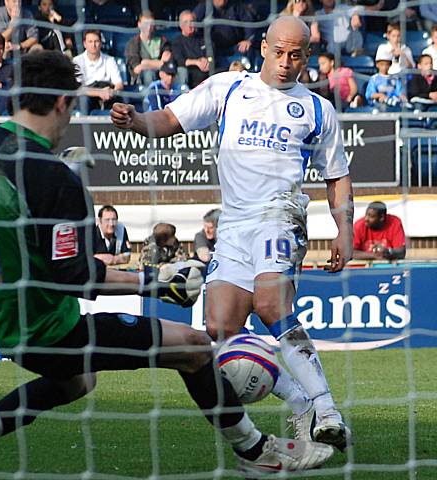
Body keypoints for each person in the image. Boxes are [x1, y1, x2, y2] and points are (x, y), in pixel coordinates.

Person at [0, 50, 334, 477]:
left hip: (0, 319)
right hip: (53, 329)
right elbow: (76, 277)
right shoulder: (56, 181)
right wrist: (154, 281)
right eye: (72, 108)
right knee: (193, 348)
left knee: (76, 382)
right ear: (62, 103)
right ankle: (257, 451)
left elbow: (8, 216)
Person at [111, 16, 354, 452]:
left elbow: (337, 176)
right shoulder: (228, 87)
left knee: (270, 304)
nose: (285, 62)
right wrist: (135, 121)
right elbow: (169, 118)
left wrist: (344, 230)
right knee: (219, 327)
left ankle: (328, 408)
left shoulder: (317, 109)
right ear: (263, 47)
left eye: (295, 55)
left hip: (280, 215)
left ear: (306, 57)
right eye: (278, 52)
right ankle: (301, 404)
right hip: (235, 223)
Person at [73, 30, 124, 112]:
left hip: (107, 94)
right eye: (90, 42)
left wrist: (111, 92)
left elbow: (119, 84)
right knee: (83, 100)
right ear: (84, 44)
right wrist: (99, 92)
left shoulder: (110, 60)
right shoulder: (77, 61)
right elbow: (78, 89)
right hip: (87, 95)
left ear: (100, 43)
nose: (93, 45)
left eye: (96, 41)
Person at [125, 11, 172, 85]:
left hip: (162, 75)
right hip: (141, 79)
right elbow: (137, 68)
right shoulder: (133, 44)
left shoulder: (162, 41)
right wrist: (159, 63)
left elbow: (167, 61)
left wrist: (146, 63)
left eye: (151, 24)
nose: (149, 27)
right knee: (149, 74)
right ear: (139, 24)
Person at [171, 10, 211, 89]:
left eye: (192, 22)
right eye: (186, 22)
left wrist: (208, 60)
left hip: (205, 72)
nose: (189, 25)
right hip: (189, 74)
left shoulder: (203, 39)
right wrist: (196, 62)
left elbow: (211, 55)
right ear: (181, 25)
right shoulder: (177, 42)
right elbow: (179, 60)